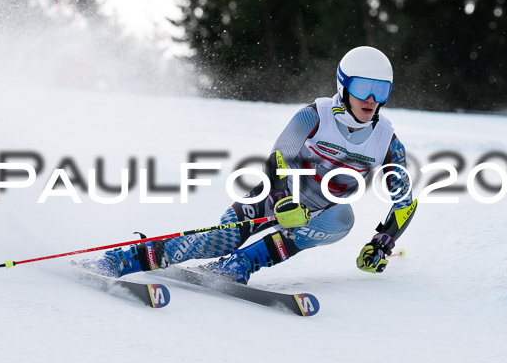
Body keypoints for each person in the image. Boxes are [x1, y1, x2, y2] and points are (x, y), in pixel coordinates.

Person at [83, 46, 417, 283]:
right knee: (220, 239)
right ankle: (124, 258)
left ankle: (240, 265)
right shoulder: (314, 116)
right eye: (363, 88)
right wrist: (286, 200)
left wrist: (383, 241)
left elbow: (405, 201)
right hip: (272, 197)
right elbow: (279, 157)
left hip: (318, 214)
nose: (372, 100)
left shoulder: (386, 140)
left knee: (341, 219)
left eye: (381, 90)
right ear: (343, 86)